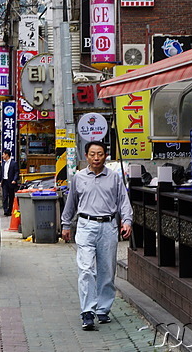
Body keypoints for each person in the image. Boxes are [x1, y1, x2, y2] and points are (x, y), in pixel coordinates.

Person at [60, 141, 133, 331]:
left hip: (108, 226)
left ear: (105, 156)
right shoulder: (79, 178)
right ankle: (87, 312)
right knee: (85, 269)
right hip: (85, 225)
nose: (96, 158)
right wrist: (66, 224)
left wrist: (127, 221)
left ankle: (103, 309)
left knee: (107, 270)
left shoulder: (115, 178)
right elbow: (71, 203)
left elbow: (123, 201)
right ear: (86, 156)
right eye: (92, 154)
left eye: (100, 154)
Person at [0, 149, 20, 216]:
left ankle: (10, 210)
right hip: (4, 181)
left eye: (3, 154)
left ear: (7, 155)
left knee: (11, 197)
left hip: (11, 182)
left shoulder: (14, 163)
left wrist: (14, 180)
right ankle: (5, 210)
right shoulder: (4, 163)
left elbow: (16, 172)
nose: (2, 156)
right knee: (4, 196)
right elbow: (1, 173)